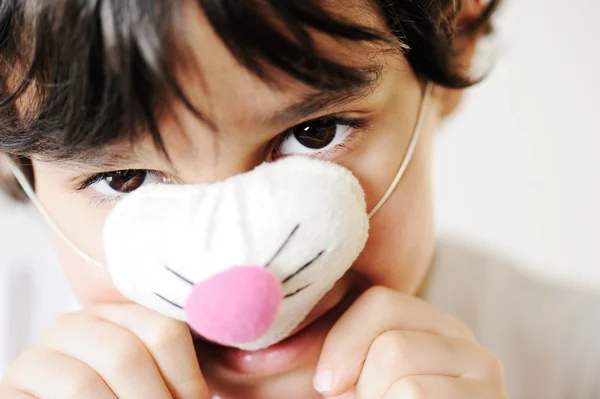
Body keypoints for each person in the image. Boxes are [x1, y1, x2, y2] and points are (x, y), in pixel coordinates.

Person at [0, 0, 598, 398]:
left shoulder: (575, 360)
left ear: (456, 27)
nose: (245, 299)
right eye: (125, 178)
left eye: (312, 134)